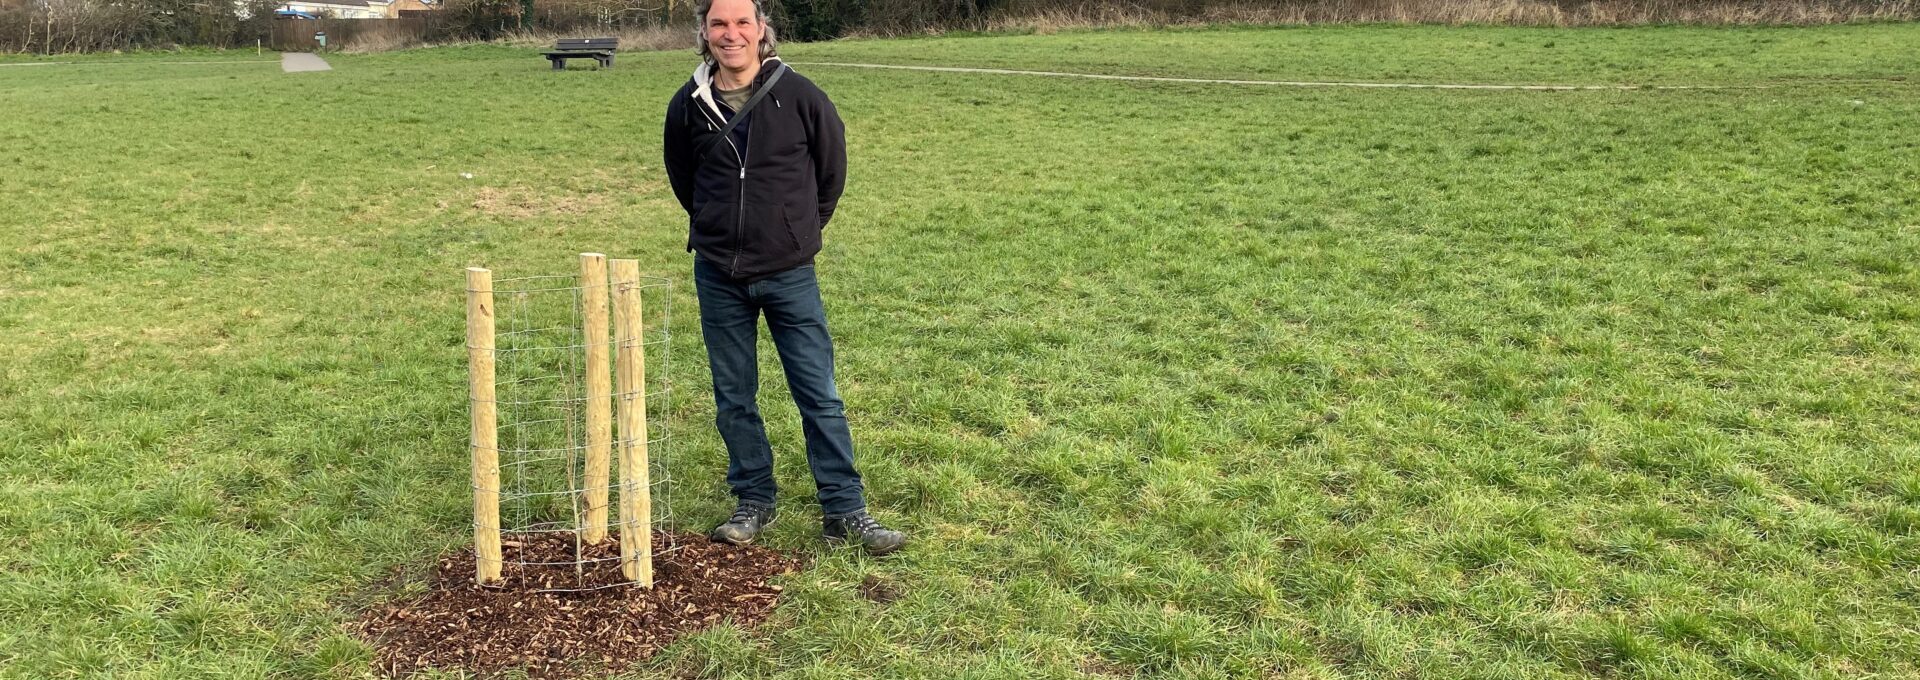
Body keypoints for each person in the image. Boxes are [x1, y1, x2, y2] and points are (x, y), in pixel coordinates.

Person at [662, 0, 906, 555]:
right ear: (704, 32)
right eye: (719, 24)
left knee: (818, 394)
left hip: (789, 272)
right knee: (734, 396)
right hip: (718, 273)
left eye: (742, 23)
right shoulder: (687, 105)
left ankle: (845, 509)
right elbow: (684, 180)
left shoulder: (800, 96)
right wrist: (718, 227)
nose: (731, 35)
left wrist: (797, 232)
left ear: (761, 30)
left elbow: (831, 172)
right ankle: (753, 500)